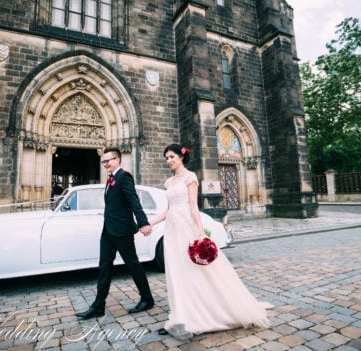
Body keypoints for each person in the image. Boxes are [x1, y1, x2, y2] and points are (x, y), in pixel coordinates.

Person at [149, 143, 272, 339]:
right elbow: (168, 209)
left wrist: (200, 233)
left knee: (193, 270)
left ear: (181, 157)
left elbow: (193, 207)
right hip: (171, 230)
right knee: (176, 271)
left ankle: (200, 314)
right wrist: (152, 223)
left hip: (186, 228)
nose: (168, 161)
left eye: (171, 156)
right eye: (166, 158)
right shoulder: (169, 183)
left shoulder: (190, 178)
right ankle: (180, 315)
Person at [76, 147, 155, 320]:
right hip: (108, 230)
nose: (105, 164)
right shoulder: (110, 179)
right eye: (103, 161)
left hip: (122, 231)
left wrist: (143, 222)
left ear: (118, 160)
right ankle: (98, 306)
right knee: (104, 267)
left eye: (108, 160)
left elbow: (134, 201)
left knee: (133, 264)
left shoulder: (124, 177)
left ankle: (147, 298)